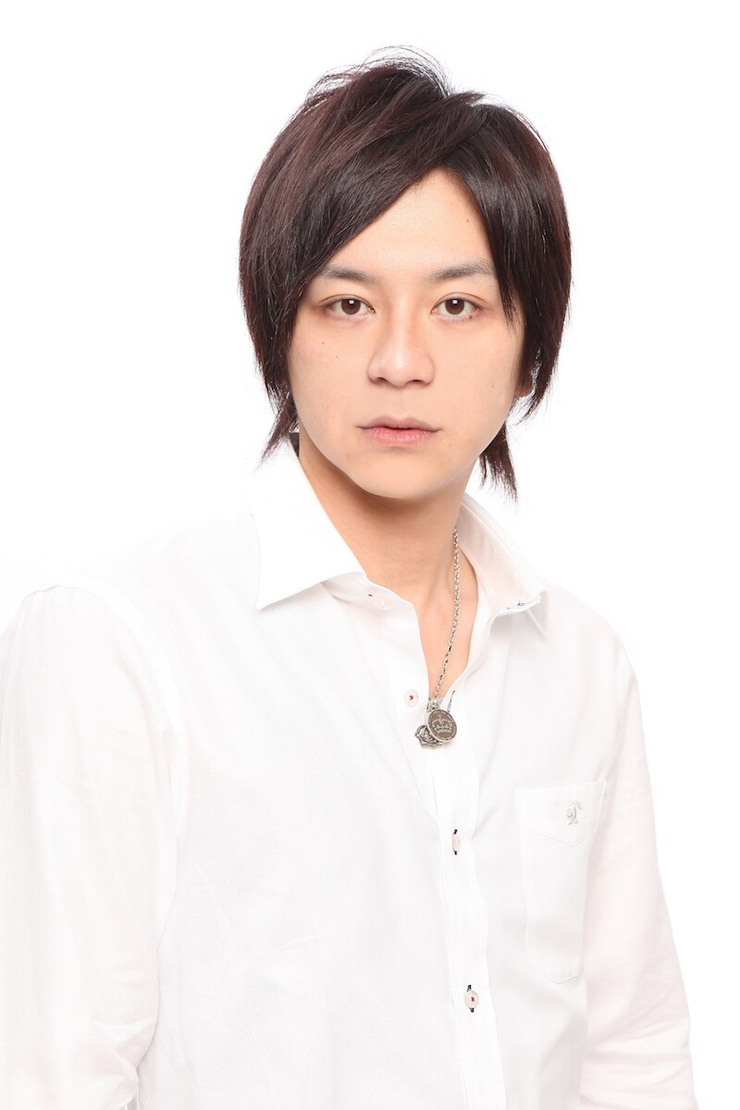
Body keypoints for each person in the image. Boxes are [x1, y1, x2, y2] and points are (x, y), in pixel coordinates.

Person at [0, 53, 696, 1109]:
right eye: (346, 304)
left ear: (530, 350)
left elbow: (632, 1050)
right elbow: (52, 1070)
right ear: (278, 328)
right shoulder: (121, 642)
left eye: (456, 305)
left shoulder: (581, 661)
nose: (400, 361)